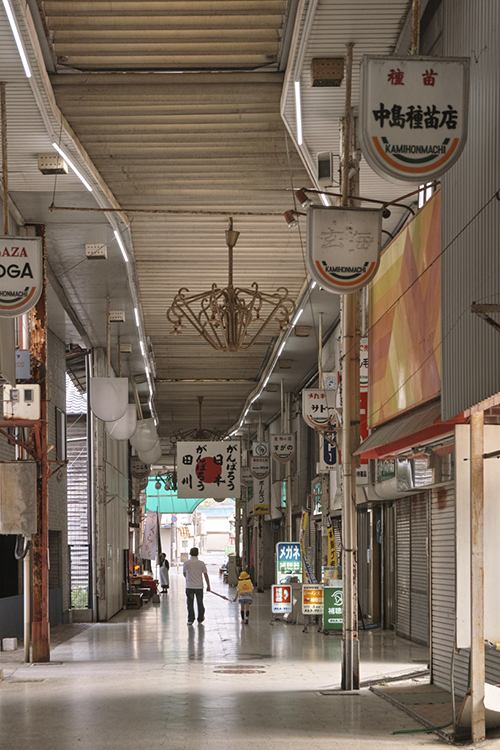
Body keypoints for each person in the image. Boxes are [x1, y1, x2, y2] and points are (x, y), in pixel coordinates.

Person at [183, 547, 210, 625]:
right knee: (200, 602)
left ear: (190, 553)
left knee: (190, 603)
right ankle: (200, 618)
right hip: (199, 586)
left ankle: (190, 619)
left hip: (189, 586)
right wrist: (208, 585)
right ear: (198, 554)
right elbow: (205, 575)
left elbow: (184, 574)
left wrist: (190, 579)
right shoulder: (201, 563)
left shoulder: (186, 563)